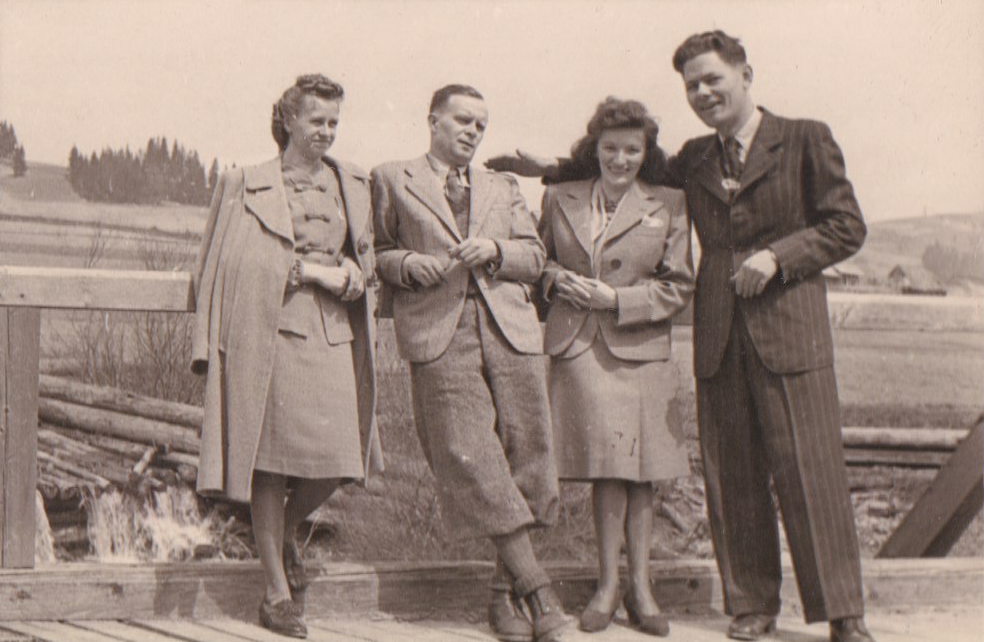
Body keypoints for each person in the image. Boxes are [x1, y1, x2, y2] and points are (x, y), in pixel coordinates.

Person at [486, 31, 874, 642]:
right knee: (733, 472)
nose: (702, 93)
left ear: (746, 74)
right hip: (719, 332)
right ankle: (753, 606)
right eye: (692, 85)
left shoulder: (805, 138)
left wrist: (779, 256)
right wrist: (551, 169)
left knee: (810, 472)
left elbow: (846, 225)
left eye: (712, 79)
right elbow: (624, 163)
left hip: (792, 331)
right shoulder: (694, 156)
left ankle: (845, 616)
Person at [371, 84, 570, 642]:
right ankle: (539, 590)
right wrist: (407, 264)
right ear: (433, 120)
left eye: (480, 125)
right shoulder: (392, 178)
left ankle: (502, 597)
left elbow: (535, 255)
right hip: (440, 334)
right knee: (469, 456)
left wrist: (497, 251)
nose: (472, 132)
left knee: (530, 455)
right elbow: (376, 252)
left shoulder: (502, 185)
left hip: (510, 330)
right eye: (462, 120)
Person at [191, 74, 382, 639]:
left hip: (333, 335)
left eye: (333, 122)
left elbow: (365, 253)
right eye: (316, 120)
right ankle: (275, 592)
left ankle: (280, 535)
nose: (326, 131)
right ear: (288, 120)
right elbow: (225, 265)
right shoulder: (247, 183)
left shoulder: (352, 182)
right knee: (270, 467)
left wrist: (355, 271)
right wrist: (310, 272)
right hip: (270, 334)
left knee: (343, 458)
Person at [537, 97, 694, 637]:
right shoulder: (559, 196)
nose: (620, 160)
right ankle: (607, 587)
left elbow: (680, 284)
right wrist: (556, 280)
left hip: (640, 346)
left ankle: (641, 589)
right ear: (594, 148)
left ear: (646, 153)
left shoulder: (669, 202)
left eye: (632, 150)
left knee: (642, 469)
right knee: (607, 466)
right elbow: (539, 263)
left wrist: (618, 300)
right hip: (580, 348)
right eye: (610, 148)